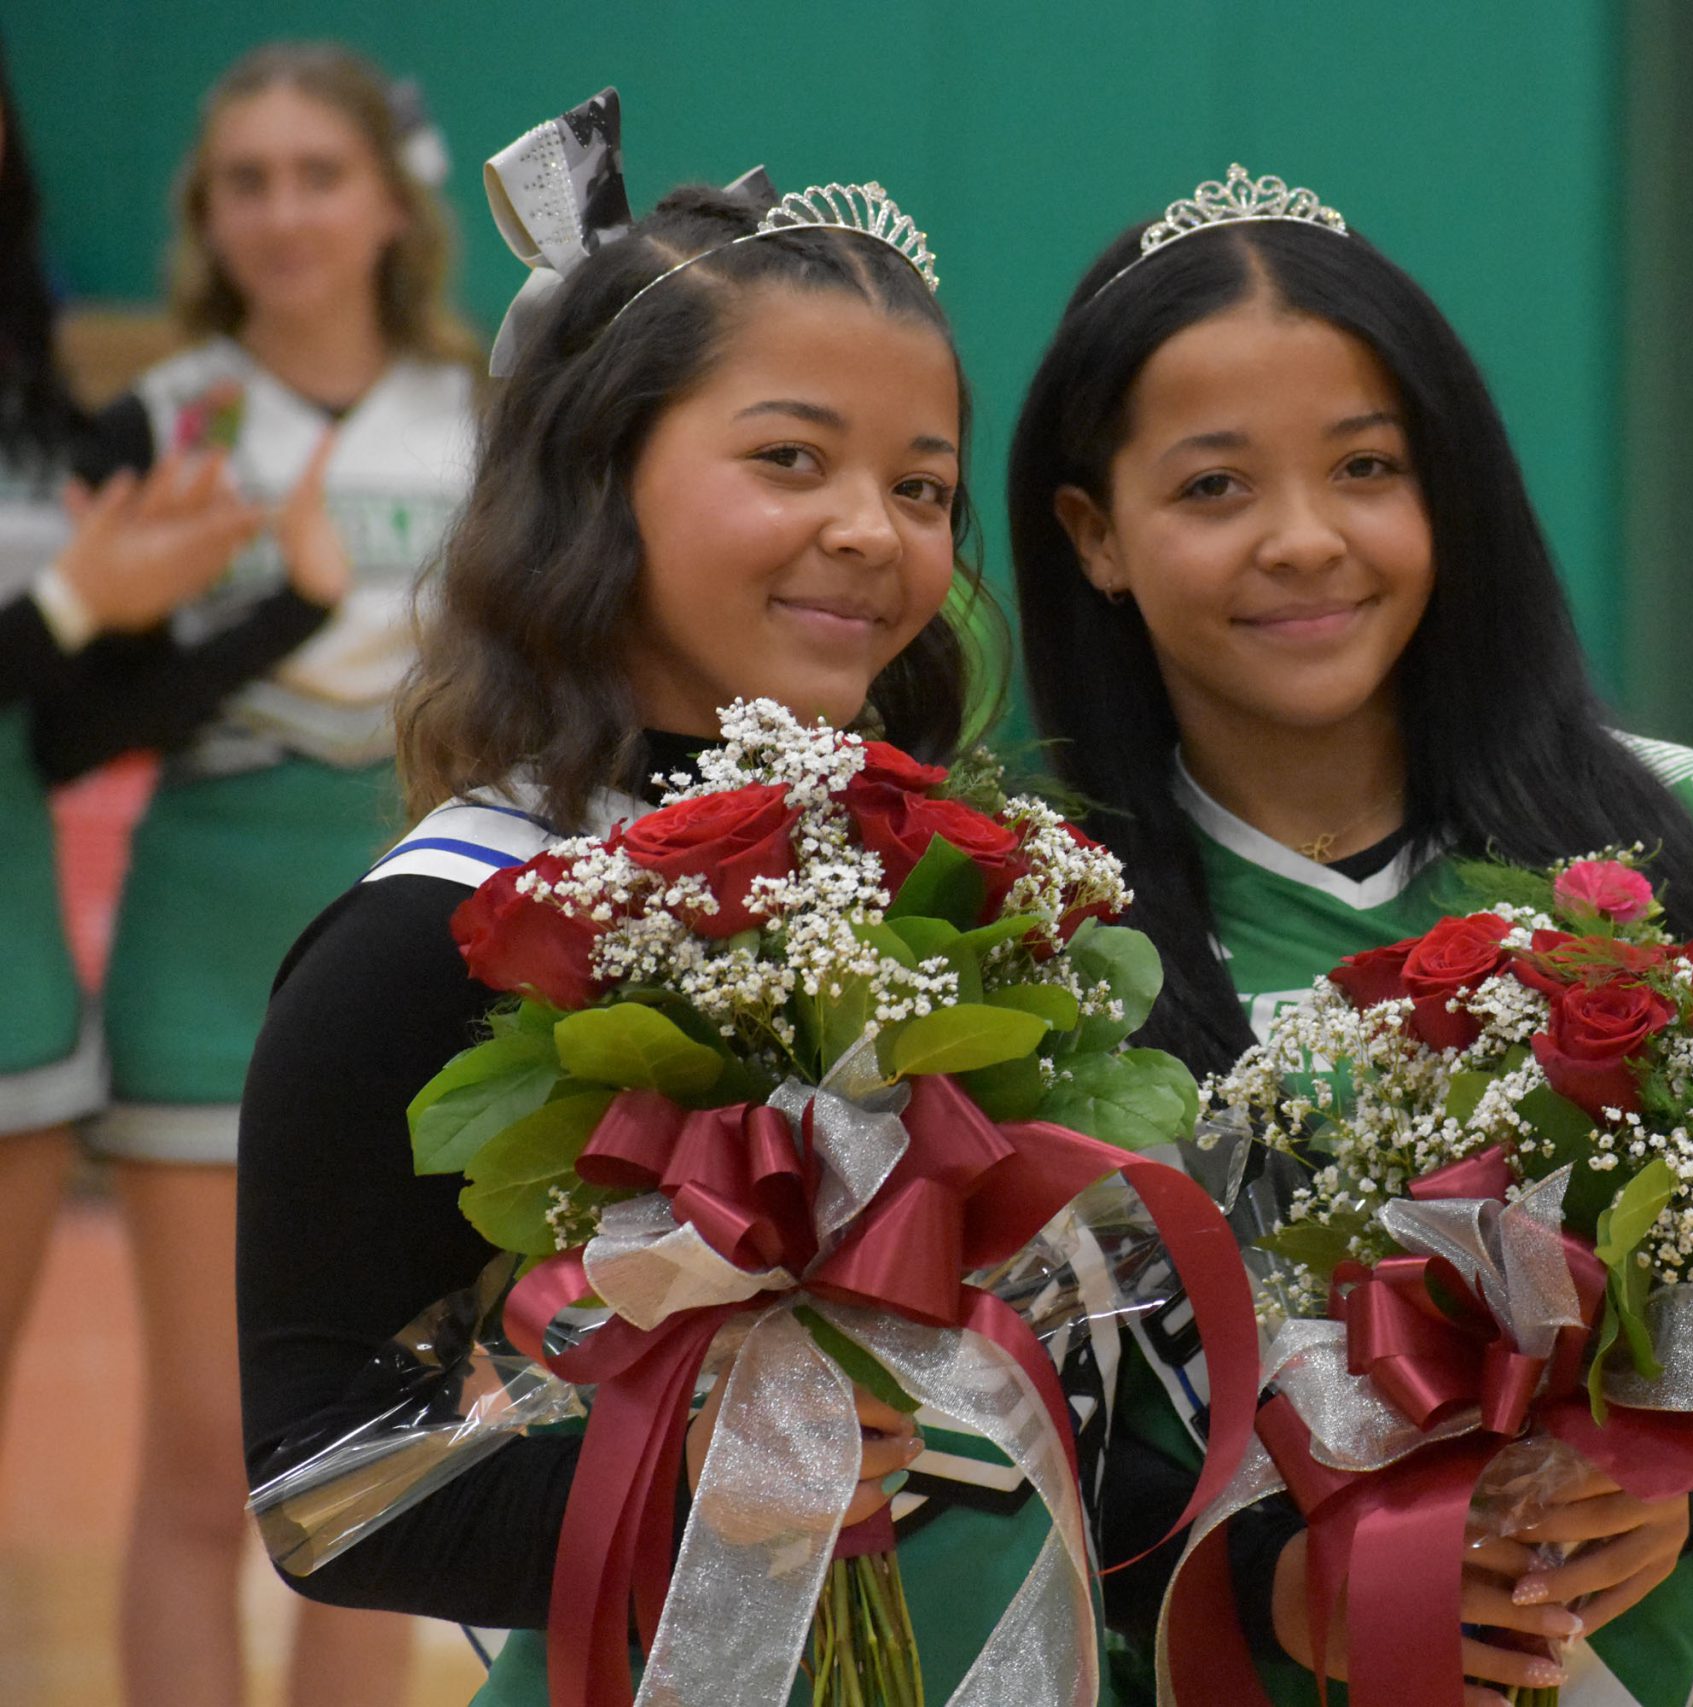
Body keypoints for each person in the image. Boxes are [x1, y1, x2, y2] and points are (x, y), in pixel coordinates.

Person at [240, 96, 1198, 1707]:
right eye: (790, 459)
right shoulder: (432, 932)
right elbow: (322, 1494)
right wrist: (695, 1485)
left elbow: (1108, 1397)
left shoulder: (974, 901)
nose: (867, 531)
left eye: (919, 487)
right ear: (598, 474)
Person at [1008, 167, 1693, 1707]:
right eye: (1215, 487)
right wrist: (1257, 1581)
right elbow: (970, 1407)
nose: (1305, 540)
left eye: (1367, 467)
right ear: (1094, 531)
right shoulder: (1028, 911)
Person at [32, 41, 479, 1707]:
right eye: (246, 181)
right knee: (202, 1442)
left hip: (412, 938)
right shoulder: (161, 421)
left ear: (388, 202)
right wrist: (274, 606)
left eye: (316, 174)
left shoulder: (488, 415)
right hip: (206, 937)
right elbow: (78, 725)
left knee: (373, 1441)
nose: (282, 213)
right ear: (204, 216)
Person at [0, 27, 264, 1437]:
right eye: (250, 180)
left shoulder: (43, 407)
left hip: (23, 1009)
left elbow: (51, 741)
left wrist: (259, 622)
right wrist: (69, 601)